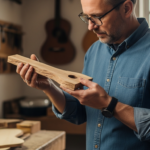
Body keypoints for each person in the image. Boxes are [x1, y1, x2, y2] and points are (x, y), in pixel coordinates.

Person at [16, 0, 150, 149]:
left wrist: (109, 104)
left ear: (126, 8)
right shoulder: (94, 51)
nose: (90, 26)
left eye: (97, 17)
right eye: (86, 17)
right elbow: (80, 113)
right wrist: (48, 87)